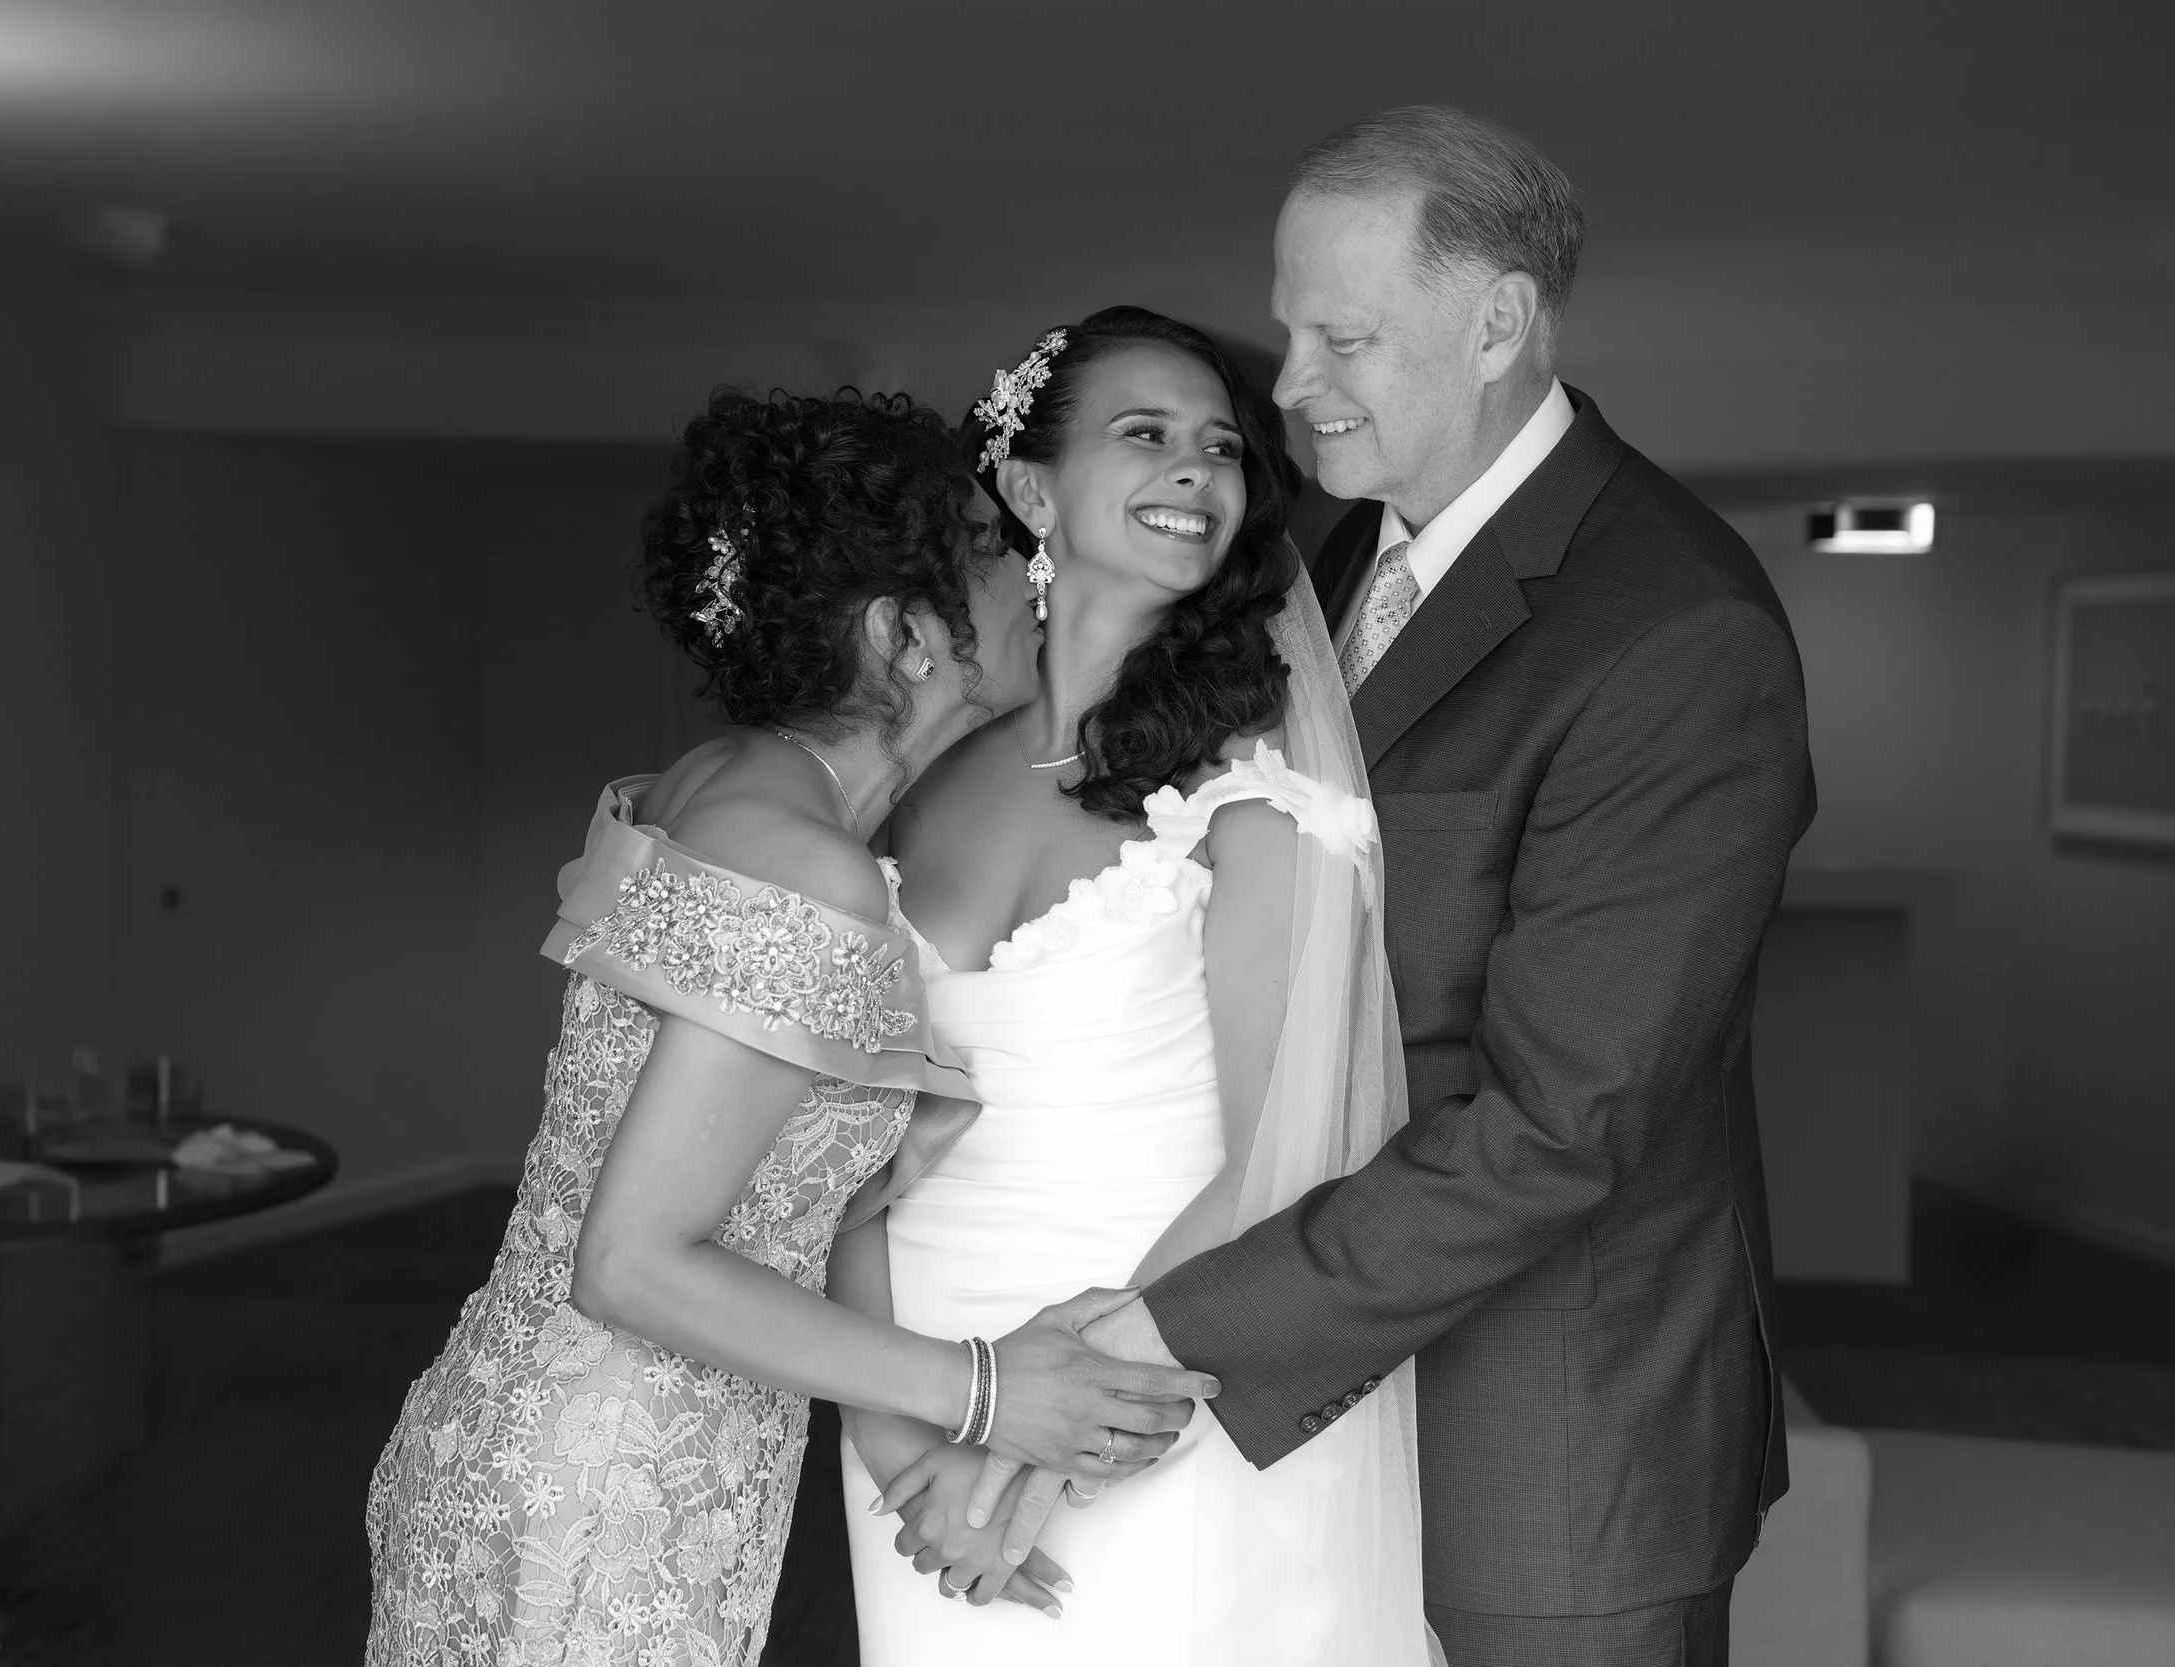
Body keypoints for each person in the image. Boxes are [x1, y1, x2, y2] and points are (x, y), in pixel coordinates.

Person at [1043, 106, 1820, 1667]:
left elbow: (1555, 1127)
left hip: (1549, 1446)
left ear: (1498, 324)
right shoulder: (1327, 559)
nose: (1288, 386)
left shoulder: (1673, 631)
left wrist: (1158, 1329)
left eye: (1342, 336)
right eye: (1288, 330)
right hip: (1318, 1417)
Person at [361, 387, 1219, 1667]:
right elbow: (632, 1263)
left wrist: (908, 1441)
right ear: (901, 634)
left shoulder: (725, 786)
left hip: (566, 1441)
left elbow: (789, 1193)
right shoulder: (800, 862)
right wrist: (986, 1386)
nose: (1033, 578)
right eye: (994, 555)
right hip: (601, 1491)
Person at [834, 307, 1438, 1666]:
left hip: (1162, 1398)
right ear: (1036, 488)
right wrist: (906, 1451)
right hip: (919, 1413)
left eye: (1222, 446)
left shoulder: (1255, 797)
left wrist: (1050, 1455)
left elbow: (1283, 1158)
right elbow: (838, 1155)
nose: (1196, 470)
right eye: (1146, 434)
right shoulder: (918, 779)